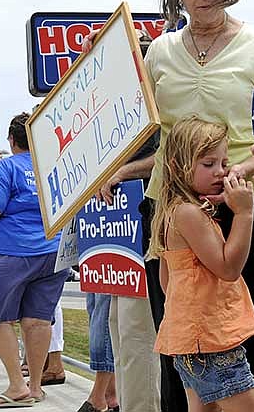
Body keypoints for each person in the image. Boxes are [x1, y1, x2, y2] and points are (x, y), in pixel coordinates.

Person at [139, 0, 254, 410]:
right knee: (179, 336)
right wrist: (99, 66)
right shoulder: (158, 53)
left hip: (247, 202)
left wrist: (236, 178)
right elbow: (126, 119)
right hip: (172, 210)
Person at [148, 117, 254, 412]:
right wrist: (244, 214)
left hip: (189, 340)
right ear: (176, 166)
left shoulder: (172, 211)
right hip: (211, 341)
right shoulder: (190, 214)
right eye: (208, 163)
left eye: (223, 163)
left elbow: (167, 280)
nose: (220, 172)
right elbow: (228, 268)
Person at [0, 113, 68, 407]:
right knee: (39, 319)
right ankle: (35, 386)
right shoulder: (55, 165)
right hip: (52, 251)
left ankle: (16, 385)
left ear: (12, 140)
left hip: (9, 251)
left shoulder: (6, 168)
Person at [94, 29, 162, 412]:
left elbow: (170, 150)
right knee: (120, 331)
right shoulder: (115, 107)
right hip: (114, 232)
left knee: (137, 335)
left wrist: (123, 171)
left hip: (146, 225)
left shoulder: (157, 101)